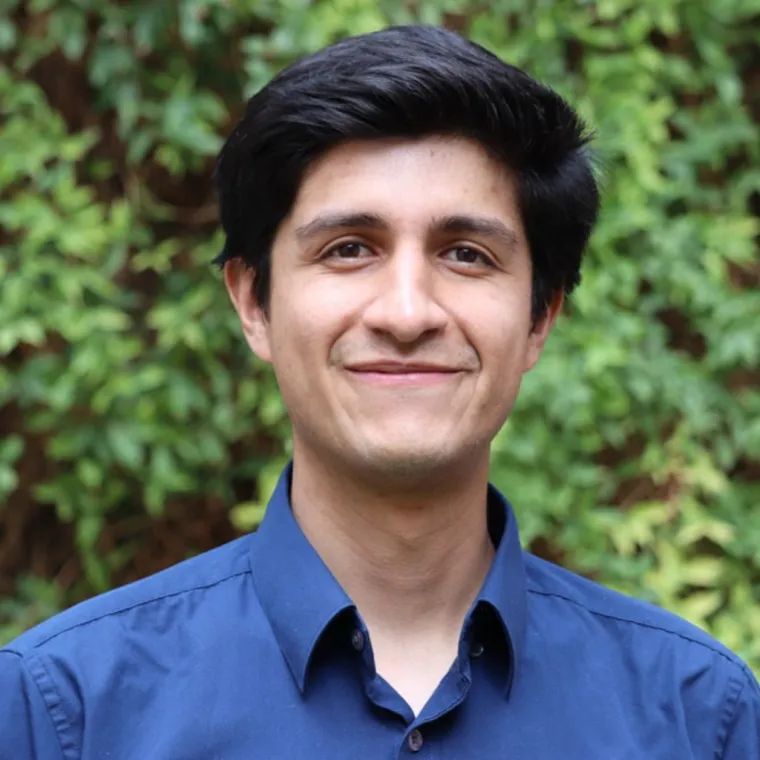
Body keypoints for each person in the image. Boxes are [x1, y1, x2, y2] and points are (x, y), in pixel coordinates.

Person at [1, 24, 758, 759]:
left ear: (540, 317)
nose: (406, 313)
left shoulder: (699, 717)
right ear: (254, 304)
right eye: (349, 249)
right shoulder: (62, 713)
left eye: (466, 254)